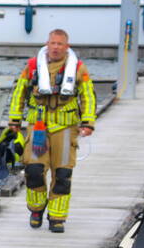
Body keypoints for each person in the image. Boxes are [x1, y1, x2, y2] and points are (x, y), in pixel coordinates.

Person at [7, 28, 96, 233]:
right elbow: (19, 92)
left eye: (60, 44)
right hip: (38, 127)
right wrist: (14, 119)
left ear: (67, 46)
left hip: (65, 128)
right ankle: (36, 209)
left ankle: (57, 217)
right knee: (34, 170)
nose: (55, 47)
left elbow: (88, 96)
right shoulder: (32, 66)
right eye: (52, 43)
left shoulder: (78, 68)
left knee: (63, 173)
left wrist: (88, 122)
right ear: (47, 44)